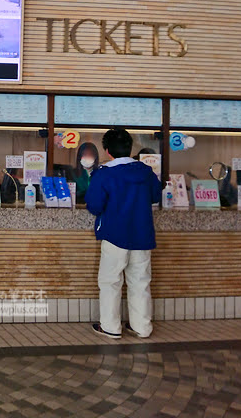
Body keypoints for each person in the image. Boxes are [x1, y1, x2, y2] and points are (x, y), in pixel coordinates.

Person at [85, 128, 162, 339]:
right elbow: (155, 196)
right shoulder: (146, 171)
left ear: (107, 150)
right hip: (142, 234)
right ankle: (141, 327)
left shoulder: (104, 173)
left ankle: (110, 327)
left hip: (114, 234)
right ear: (130, 148)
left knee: (111, 281)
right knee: (140, 281)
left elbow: (94, 205)